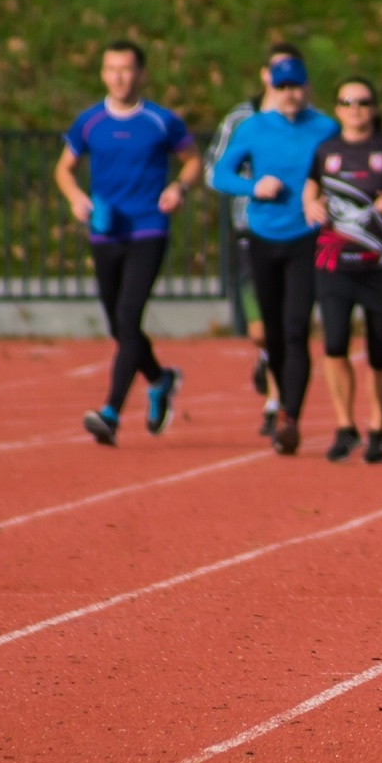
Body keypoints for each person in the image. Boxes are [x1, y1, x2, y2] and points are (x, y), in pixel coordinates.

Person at [56, 40, 199, 447]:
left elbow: (192, 159)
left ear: (141, 74)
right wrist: (75, 198)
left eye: (127, 69)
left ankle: (111, 412)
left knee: (129, 313)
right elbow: (64, 170)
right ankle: (160, 379)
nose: (119, 76)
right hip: (105, 231)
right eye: (111, 69)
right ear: (103, 74)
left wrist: (179, 188)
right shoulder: (88, 122)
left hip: (148, 228)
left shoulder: (160, 121)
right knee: (120, 326)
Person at [211, 54, 339, 455]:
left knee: (297, 327)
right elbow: (219, 174)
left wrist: (326, 201)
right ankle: (281, 397)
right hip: (263, 236)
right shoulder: (253, 127)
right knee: (273, 332)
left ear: (307, 87)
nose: (290, 95)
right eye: (282, 88)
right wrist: (253, 187)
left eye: (296, 86)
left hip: (308, 237)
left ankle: (290, 417)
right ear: (271, 87)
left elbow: (343, 169)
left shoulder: (325, 127)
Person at [301, 77, 382, 464]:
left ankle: (377, 428)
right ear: (337, 109)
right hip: (334, 264)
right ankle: (344, 426)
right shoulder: (326, 150)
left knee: (378, 349)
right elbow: (310, 188)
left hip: (380, 264)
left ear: (374, 108)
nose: (355, 108)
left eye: (363, 102)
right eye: (347, 101)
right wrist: (310, 206)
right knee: (334, 343)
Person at [206, 42, 300, 438]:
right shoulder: (242, 119)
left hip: (296, 235)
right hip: (251, 232)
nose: (287, 85)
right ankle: (265, 357)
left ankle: (276, 403)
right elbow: (215, 168)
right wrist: (252, 186)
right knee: (262, 328)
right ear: (265, 75)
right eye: (279, 74)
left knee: (288, 324)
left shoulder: (308, 122)